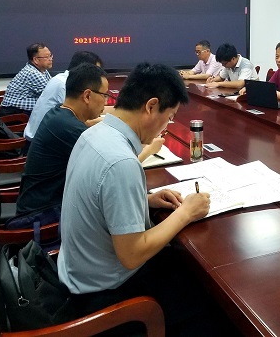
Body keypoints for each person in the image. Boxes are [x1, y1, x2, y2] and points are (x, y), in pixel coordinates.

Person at [58, 63, 237, 336]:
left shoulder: (93, 134)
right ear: (151, 106)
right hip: (106, 293)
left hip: (78, 272)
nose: (166, 126)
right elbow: (132, 255)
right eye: (169, 117)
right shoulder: (121, 162)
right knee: (216, 307)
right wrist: (186, 212)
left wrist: (147, 199)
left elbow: (99, 197)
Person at [12, 63, 109, 221]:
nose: (106, 101)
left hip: (39, 202)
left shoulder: (59, 112)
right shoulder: (70, 129)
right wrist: (149, 149)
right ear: (87, 96)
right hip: (42, 216)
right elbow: (111, 168)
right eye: (104, 95)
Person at [24, 51, 103, 142]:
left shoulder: (62, 78)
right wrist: (106, 120)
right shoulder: (64, 84)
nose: (98, 77)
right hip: (39, 140)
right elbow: (79, 121)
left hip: (44, 135)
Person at [0, 43, 53, 116]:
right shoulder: (32, 73)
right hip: (15, 113)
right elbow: (53, 95)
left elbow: (53, 88)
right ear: (36, 60)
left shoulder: (42, 70)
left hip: (21, 111)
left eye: (50, 55)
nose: (50, 59)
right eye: (47, 57)